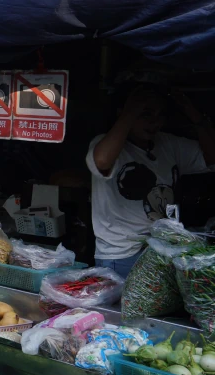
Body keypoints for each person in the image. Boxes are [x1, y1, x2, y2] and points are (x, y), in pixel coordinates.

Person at [87, 84, 215, 278]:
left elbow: (212, 158)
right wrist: (130, 112)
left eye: (160, 115)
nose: (154, 122)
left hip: (162, 251)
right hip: (121, 256)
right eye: (145, 114)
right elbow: (102, 160)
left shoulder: (168, 144)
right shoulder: (105, 144)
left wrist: (194, 115)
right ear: (125, 114)